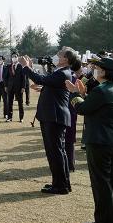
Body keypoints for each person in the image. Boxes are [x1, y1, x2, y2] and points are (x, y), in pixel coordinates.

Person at [67, 57, 113, 223]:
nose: (94, 70)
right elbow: (97, 107)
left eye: (97, 67)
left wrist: (74, 93)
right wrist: (83, 94)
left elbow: (82, 109)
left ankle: (104, 221)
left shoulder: (102, 90)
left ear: (104, 71)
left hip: (100, 141)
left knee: (101, 183)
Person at [18, 47, 78, 195]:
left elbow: (41, 79)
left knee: (55, 152)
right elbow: (48, 84)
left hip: (54, 116)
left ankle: (60, 186)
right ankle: (61, 183)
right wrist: (43, 87)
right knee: (57, 152)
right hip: (53, 116)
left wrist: (26, 67)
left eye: (60, 54)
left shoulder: (63, 72)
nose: (56, 56)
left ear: (65, 59)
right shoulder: (62, 72)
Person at [5, 52, 26, 122]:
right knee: (9, 103)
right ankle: (9, 117)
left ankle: (21, 117)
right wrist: (6, 86)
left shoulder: (21, 66)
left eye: (15, 56)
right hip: (10, 87)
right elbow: (6, 77)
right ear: (11, 58)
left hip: (19, 87)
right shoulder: (9, 66)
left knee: (20, 103)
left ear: (18, 57)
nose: (14, 57)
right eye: (13, 56)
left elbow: (24, 78)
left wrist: (23, 87)